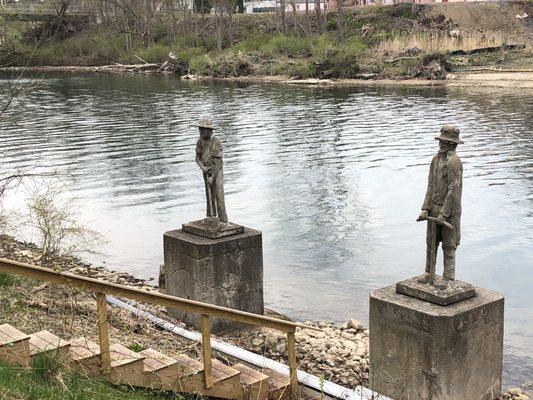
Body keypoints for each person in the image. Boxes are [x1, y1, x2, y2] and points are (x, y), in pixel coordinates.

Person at [417, 125, 463, 285]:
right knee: (431, 243)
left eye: (444, 142)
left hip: (449, 212)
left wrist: (443, 214)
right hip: (434, 208)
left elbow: (453, 191)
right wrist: (425, 208)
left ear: (452, 144)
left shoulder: (454, 162)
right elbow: (430, 185)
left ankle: (448, 278)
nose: (441, 144)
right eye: (441, 141)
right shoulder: (435, 159)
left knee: (449, 246)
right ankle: (429, 273)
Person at [195, 118, 228, 226]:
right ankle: (211, 216)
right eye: (200, 129)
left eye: (202, 129)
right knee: (209, 194)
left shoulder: (216, 141)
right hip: (206, 169)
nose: (200, 132)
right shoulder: (200, 141)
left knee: (218, 193)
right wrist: (202, 168)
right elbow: (197, 157)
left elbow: (217, 163)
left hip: (216, 170)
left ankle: (223, 220)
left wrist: (213, 176)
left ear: (208, 130)